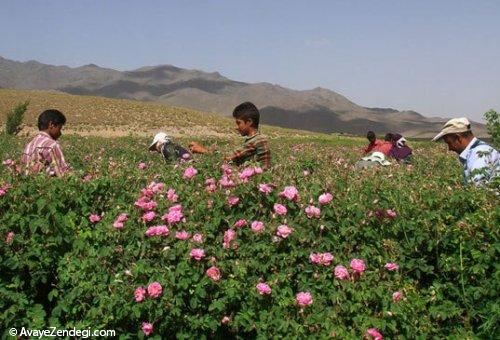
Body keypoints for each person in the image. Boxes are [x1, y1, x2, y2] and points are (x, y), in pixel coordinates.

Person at [189, 102, 271, 169]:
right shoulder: (257, 139)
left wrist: (203, 150)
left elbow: (228, 158)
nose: (236, 127)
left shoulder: (257, 140)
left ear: (249, 122)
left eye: (239, 123)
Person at [432, 117, 499, 185]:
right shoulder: (477, 151)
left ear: (458, 138)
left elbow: (477, 190)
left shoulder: (478, 155)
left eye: (449, 143)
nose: (450, 148)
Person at [21, 109, 69, 177]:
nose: (60, 133)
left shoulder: (29, 145)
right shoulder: (51, 145)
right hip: (46, 185)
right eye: (59, 128)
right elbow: (63, 174)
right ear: (51, 125)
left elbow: (24, 171)